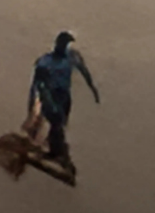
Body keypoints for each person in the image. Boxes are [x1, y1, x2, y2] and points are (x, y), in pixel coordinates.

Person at [24, 31, 100, 163]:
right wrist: (35, 103)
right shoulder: (45, 62)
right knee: (56, 121)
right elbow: (36, 84)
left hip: (64, 96)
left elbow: (83, 70)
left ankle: (55, 148)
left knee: (60, 122)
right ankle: (54, 152)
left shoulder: (72, 57)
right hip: (49, 95)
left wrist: (93, 88)